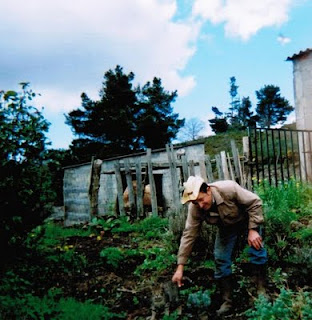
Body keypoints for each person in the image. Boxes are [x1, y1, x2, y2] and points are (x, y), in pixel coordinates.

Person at [172, 176, 268, 316]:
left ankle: (261, 291)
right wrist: (180, 267)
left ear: (208, 190)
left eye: (201, 199)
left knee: (256, 249)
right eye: (195, 202)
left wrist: (253, 230)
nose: (200, 205)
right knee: (220, 257)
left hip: (248, 220)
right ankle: (227, 301)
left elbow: (255, 202)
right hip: (227, 227)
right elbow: (189, 235)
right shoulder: (196, 208)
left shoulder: (228, 189)